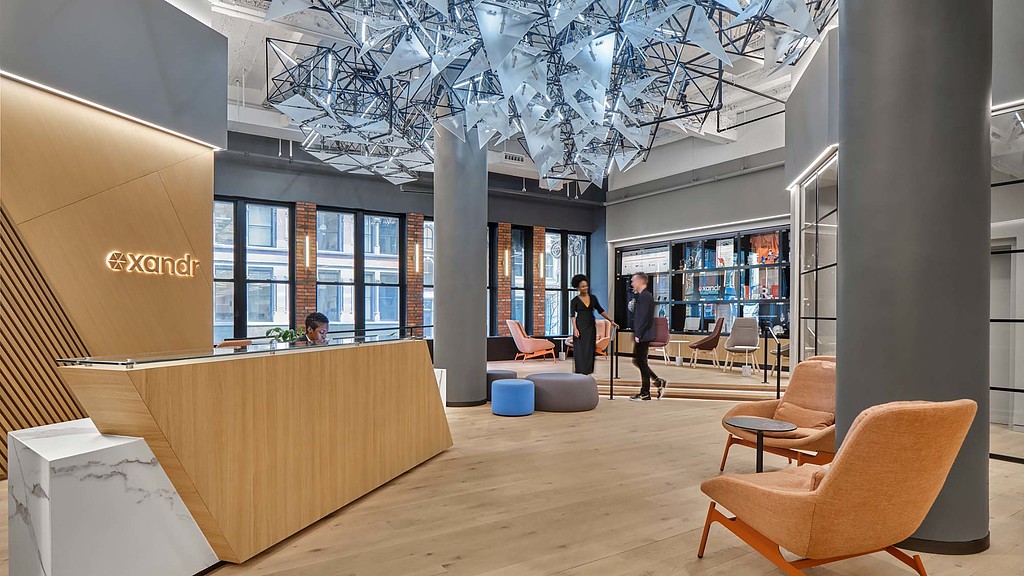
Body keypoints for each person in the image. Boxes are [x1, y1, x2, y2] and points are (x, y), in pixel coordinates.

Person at [628, 272, 667, 401]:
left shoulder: (645, 296)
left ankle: (645, 392)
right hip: (642, 334)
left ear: (640, 281)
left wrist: (639, 334)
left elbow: (644, 317)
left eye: (633, 281)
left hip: (643, 335)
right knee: (639, 361)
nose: (632, 283)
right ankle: (657, 382)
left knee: (641, 362)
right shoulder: (642, 296)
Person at [569, 274, 618, 375]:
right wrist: (575, 329)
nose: (585, 288)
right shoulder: (574, 301)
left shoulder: (593, 298)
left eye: (586, 285)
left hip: (591, 326)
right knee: (581, 350)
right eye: (582, 286)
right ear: (578, 288)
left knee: (590, 349)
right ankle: (580, 372)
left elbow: (601, 310)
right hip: (580, 327)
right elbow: (572, 316)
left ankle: (588, 371)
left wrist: (611, 320)